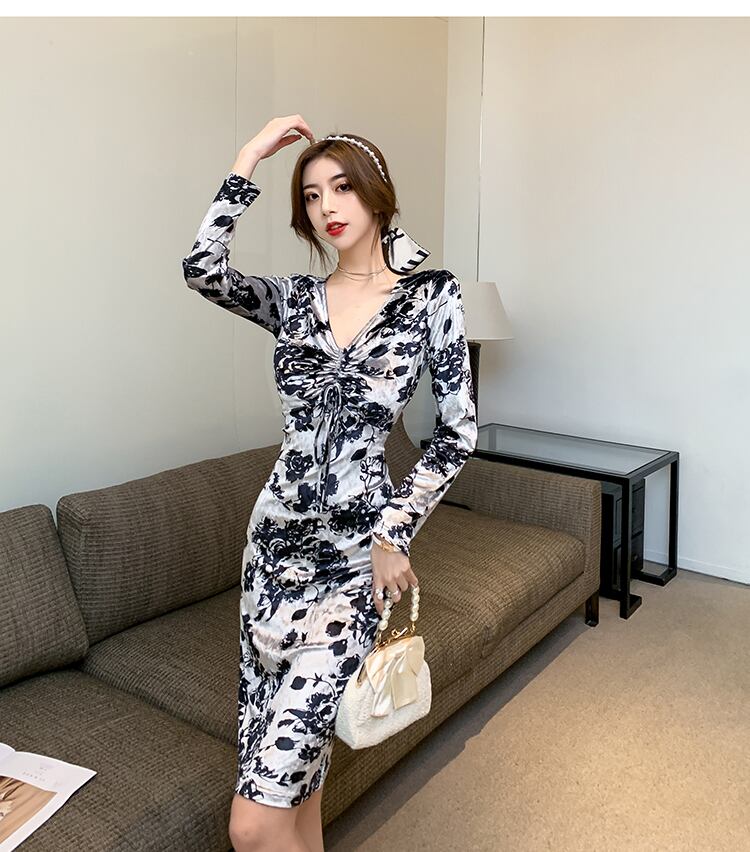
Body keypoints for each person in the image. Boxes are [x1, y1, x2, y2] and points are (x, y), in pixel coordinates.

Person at [181, 115, 478, 852]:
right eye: (311, 196)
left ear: (377, 193)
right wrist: (248, 158)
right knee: (300, 790)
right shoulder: (293, 300)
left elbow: (457, 432)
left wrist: (394, 533)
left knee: (251, 825)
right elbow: (203, 270)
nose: (327, 207)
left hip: (354, 566)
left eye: (342, 187)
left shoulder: (429, 297)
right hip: (272, 556)